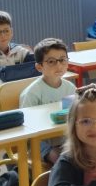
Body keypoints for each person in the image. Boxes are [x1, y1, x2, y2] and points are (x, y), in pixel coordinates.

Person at [19, 37, 76, 165]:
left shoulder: (70, 88)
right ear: (39, 67)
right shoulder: (31, 93)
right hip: (38, 142)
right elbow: (25, 129)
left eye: (63, 60)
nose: (59, 65)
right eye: (51, 61)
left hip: (63, 138)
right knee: (61, 159)